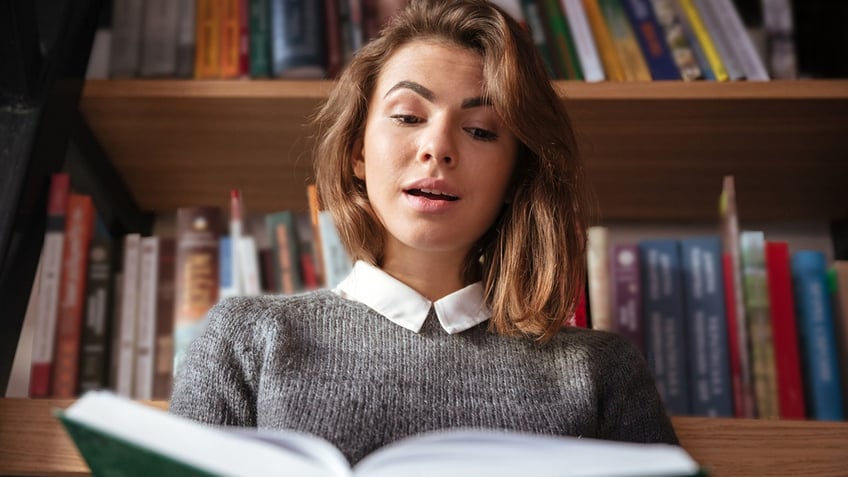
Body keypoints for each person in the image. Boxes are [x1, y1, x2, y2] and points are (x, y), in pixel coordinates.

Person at [170, 0, 678, 465]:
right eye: (409, 116)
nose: (438, 147)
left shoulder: (600, 370)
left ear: (515, 176)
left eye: (480, 130)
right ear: (358, 151)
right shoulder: (247, 340)